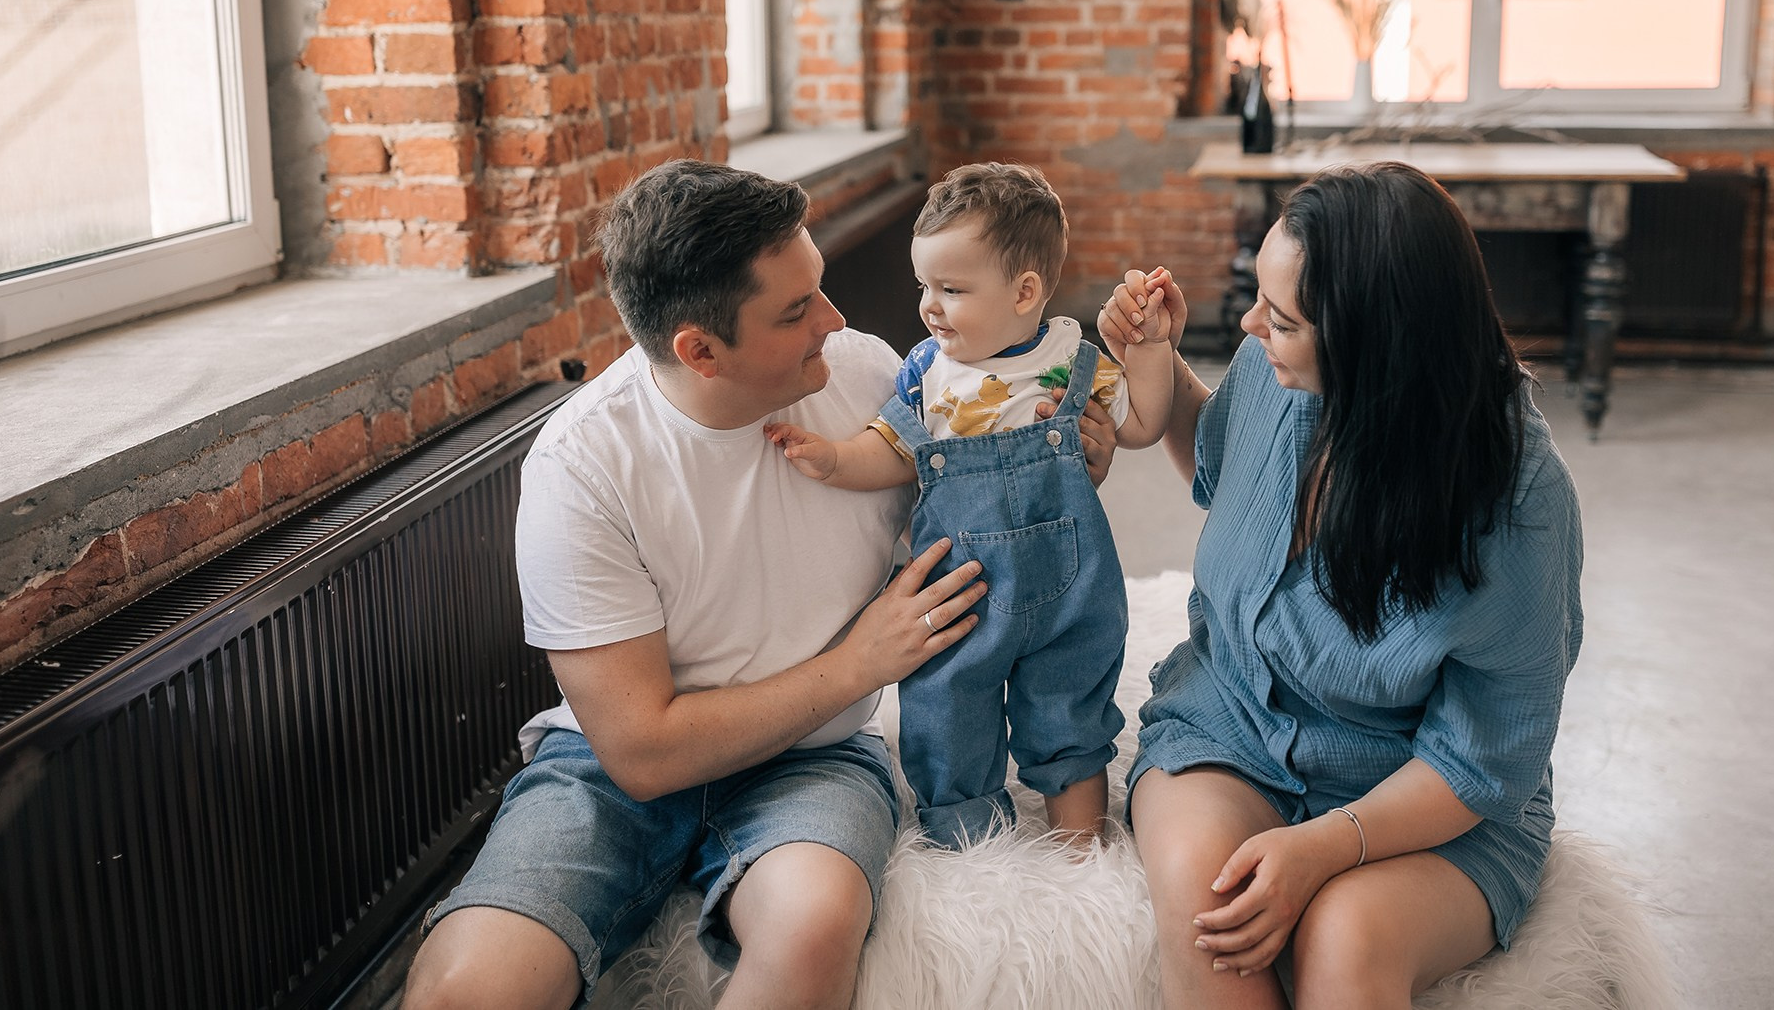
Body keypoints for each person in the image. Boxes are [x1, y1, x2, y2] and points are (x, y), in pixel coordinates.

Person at [402, 159, 1115, 1010]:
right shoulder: (582, 465)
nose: (837, 318)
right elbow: (640, 750)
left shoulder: (871, 376)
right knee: (469, 990)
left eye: (817, 287)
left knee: (813, 929)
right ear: (698, 349)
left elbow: (999, 505)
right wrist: (860, 664)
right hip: (604, 771)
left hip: (815, 759)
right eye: (796, 311)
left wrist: (1071, 461)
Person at [1101, 162, 1584, 1010]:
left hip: (1420, 790)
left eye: (1281, 319)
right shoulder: (1276, 371)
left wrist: (1326, 847)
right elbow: (1221, 467)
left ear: (1375, 347)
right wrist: (1157, 359)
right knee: (1211, 917)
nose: (1251, 326)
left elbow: (1479, 758)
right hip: (1233, 724)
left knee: (1346, 941)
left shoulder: (1518, 502)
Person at [765, 162, 1174, 847]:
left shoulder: (1071, 358)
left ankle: (1081, 846)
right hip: (959, 592)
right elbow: (893, 448)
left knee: (1070, 700)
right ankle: (970, 841)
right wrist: (835, 459)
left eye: (951, 288)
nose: (928, 304)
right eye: (925, 284)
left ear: (1025, 291)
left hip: (1067, 587)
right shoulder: (928, 372)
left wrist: (1153, 346)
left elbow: (1142, 425)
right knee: (947, 706)